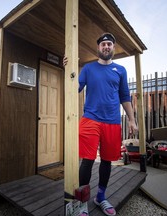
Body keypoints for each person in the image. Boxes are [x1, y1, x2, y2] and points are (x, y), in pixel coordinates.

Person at [63, 32, 138, 216]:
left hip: (112, 121)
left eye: (109, 44)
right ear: (98, 48)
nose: (106, 47)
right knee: (87, 161)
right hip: (90, 119)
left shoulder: (120, 70)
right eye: (103, 44)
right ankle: (81, 203)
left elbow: (124, 97)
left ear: (113, 48)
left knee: (107, 160)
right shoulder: (88, 68)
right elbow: (75, 89)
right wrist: (68, 70)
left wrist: (131, 119)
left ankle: (101, 197)